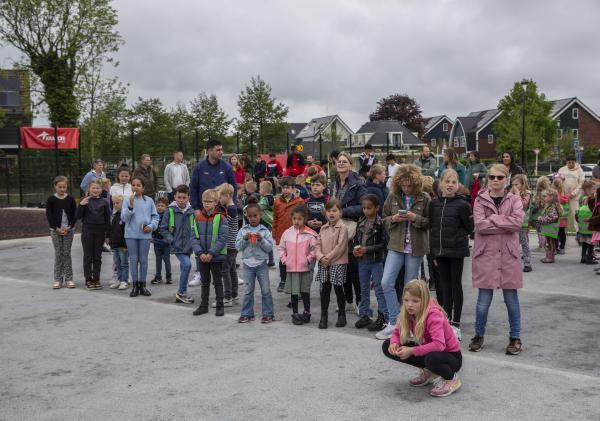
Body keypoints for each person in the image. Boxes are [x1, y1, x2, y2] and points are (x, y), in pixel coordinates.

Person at [469, 163, 524, 355]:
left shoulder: (515, 200)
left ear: (506, 179)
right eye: (492, 177)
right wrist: (503, 222)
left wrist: (492, 219)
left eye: (500, 177)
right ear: (487, 179)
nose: (495, 180)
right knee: (483, 301)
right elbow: (480, 226)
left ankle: (515, 337)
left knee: (511, 300)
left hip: (508, 256)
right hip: (486, 255)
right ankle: (478, 335)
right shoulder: (480, 200)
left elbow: (517, 223)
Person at [382, 279, 463, 398]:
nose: (409, 304)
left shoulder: (433, 314)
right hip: (432, 352)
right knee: (386, 345)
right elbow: (396, 333)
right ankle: (430, 371)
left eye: (415, 301)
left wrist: (411, 351)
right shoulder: (407, 312)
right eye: (406, 300)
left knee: (431, 358)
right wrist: (394, 343)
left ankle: (451, 379)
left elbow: (439, 345)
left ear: (424, 300)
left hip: (451, 357)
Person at [376, 164, 430, 340]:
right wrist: (393, 218)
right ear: (398, 183)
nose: (406, 188)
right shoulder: (392, 196)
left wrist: (416, 219)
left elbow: (430, 222)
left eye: (409, 185)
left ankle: (411, 326)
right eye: (403, 185)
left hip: (416, 247)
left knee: (411, 289)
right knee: (386, 282)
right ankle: (394, 322)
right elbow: (382, 219)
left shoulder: (424, 197)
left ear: (416, 183)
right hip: (396, 245)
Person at [429, 169, 473, 342]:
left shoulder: (463, 204)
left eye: (453, 182)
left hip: (455, 252)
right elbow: (432, 228)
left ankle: (456, 322)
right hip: (440, 252)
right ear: (441, 183)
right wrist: (433, 254)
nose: (450, 185)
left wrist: (459, 237)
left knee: (456, 286)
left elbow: (469, 227)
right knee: (444, 287)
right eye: (447, 181)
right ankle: (446, 320)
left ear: (458, 185)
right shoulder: (434, 204)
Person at [332, 151, 367, 312]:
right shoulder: (335, 182)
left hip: (352, 229)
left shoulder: (358, 183)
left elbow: (363, 207)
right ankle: (348, 301)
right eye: (339, 161)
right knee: (342, 266)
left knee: (354, 269)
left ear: (350, 165)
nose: (341, 163)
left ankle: (360, 302)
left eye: (344, 161)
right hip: (337, 228)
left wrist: (343, 212)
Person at [352, 194, 388, 332]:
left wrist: (366, 249)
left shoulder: (380, 223)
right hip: (362, 261)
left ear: (377, 208)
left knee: (379, 289)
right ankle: (364, 315)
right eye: (364, 208)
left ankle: (384, 316)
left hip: (376, 261)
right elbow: (356, 239)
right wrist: (356, 249)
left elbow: (383, 244)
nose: (366, 211)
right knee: (363, 289)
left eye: (369, 208)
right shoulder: (361, 221)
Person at [191, 189, 229, 316]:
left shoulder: (221, 217)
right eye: (204, 201)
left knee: (217, 282)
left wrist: (211, 253)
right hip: (202, 256)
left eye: (209, 201)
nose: (206, 204)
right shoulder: (197, 217)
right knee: (204, 282)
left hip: (216, 257)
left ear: (216, 202)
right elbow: (194, 237)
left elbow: (222, 238)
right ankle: (203, 305)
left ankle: (220, 305)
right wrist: (200, 252)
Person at [278, 204, 318, 325]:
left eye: (299, 219)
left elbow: (315, 249)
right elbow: (281, 248)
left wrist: (308, 259)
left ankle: (306, 313)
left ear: (305, 219)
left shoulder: (310, 234)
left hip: (304, 268)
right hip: (291, 269)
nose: (296, 221)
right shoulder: (287, 233)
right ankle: (295, 314)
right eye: (294, 218)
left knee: (305, 291)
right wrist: (285, 260)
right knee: (294, 293)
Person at [236, 203, 275, 323]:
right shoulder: (243, 231)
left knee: (265, 290)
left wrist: (261, 240)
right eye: (250, 216)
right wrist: (245, 239)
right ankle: (247, 313)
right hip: (247, 265)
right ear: (246, 217)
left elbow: (269, 248)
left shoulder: (265, 231)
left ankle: (268, 314)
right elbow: (238, 247)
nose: (252, 218)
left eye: (255, 216)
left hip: (261, 264)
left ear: (260, 215)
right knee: (248, 291)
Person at [121, 177, 159, 297]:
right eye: (133, 185)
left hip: (145, 235)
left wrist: (152, 226)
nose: (135, 187)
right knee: (133, 259)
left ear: (143, 188)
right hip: (131, 235)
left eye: (138, 185)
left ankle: (142, 285)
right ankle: (134, 285)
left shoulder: (149, 201)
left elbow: (155, 217)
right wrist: (131, 206)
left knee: (143, 260)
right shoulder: (127, 200)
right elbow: (124, 218)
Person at [316, 199, 349, 329]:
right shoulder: (323, 228)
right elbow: (317, 245)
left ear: (340, 213)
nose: (331, 213)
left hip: (337, 262)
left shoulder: (343, 228)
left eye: (334, 210)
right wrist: (321, 257)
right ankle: (324, 315)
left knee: (337, 288)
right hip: (324, 262)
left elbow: (340, 246)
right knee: (324, 288)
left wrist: (328, 258)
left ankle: (342, 314)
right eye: (329, 211)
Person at [160, 184, 196, 305]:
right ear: (174, 196)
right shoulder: (170, 210)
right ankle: (180, 293)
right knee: (187, 265)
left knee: (183, 268)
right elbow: (163, 229)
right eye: (179, 197)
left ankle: (183, 293)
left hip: (188, 246)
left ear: (188, 198)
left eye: (184, 197)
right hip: (177, 245)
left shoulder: (192, 211)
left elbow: (195, 228)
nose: (181, 200)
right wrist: (172, 240)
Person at [77, 179, 111, 290]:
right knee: (88, 256)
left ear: (101, 190)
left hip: (100, 231)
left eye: (97, 188)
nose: (95, 190)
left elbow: (107, 219)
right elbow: (77, 216)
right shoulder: (85, 201)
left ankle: (96, 278)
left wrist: (108, 235)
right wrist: (81, 205)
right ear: (89, 189)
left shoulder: (104, 202)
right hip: (87, 230)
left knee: (97, 256)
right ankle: (88, 279)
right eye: (93, 188)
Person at [272, 176, 305, 292]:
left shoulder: (299, 201)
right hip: (282, 235)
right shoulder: (277, 202)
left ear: (293, 189)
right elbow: (275, 218)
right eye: (283, 188)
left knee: (296, 258)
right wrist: (275, 234)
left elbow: (304, 218)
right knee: (282, 259)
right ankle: (283, 280)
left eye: (287, 188)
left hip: (296, 235)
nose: (285, 190)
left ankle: (295, 281)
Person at [46, 176, 77, 289]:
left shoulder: (70, 199)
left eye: (64, 187)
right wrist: (56, 228)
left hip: (69, 230)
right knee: (58, 254)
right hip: (55, 231)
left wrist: (69, 227)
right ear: (55, 186)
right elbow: (49, 216)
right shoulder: (51, 200)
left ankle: (69, 279)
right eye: (60, 187)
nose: (62, 189)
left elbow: (75, 215)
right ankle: (58, 279)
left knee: (66, 254)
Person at [190, 138, 237, 210]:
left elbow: (233, 187)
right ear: (209, 151)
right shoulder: (199, 167)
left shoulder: (227, 167)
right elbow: (193, 188)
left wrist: (231, 205)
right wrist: (195, 208)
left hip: (222, 210)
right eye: (218, 150)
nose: (221, 152)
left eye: (221, 149)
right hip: (203, 210)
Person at [217, 183, 240, 307]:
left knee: (225, 270)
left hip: (229, 245)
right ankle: (234, 295)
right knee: (232, 271)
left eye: (220, 197)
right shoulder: (232, 208)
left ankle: (227, 297)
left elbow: (226, 226)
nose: (219, 200)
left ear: (227, 195)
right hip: (233, 245)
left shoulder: (230, 209)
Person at [511, 174, 532, 272]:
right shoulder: (510, 193)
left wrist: (517, 194)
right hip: (512, 222)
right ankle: (512, 262)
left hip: (522, 222)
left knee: (524, 243)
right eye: (513, 184)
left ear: (523, 184)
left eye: (517, 184)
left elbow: (523, 205)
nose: (514, 186)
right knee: (512, 243)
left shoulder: (527, 193)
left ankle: (527, 263)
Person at [558, 155, 585, 229]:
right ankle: (561, 231)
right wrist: (562, 193)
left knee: (575, 214)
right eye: (569, 163)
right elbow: (558, 181)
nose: (570, 164)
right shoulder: (562, 169)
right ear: (566, 162)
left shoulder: (579, 170)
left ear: (575, 162)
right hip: (563, 196)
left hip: (574, 196)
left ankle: (578, 232)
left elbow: (581, 183)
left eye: (572, 163)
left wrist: (573, 193)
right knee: (562, 213)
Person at [108, 195, 129, 290]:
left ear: (123, 203)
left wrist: (126, 245)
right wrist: (111, 242)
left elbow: (127, 232)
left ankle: (124, 280)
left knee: (124, 263)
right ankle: (119, 280)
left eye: (117, 203)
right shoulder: (115, 215)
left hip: (122, 245)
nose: (115, 205)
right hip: (115, 245)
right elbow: (112, 230)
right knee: (117, 263)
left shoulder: (124, 217)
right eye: (114, 203)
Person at [536, 188, 561, 264]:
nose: (543, 198)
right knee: (549, 243)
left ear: (551, 197)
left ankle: (550, 257)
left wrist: (541, 219)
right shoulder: (549, 206)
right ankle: (548, 256)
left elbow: (552, 218)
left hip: (551, 229)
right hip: (548, 229)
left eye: (545, 196)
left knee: (550, 243)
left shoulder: (552, 207)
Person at [151, 197, 172, 285]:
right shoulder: (154, 216)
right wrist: (151, 237)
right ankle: (158, 276)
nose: (160, 207)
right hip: (156, 241)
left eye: (162, 206)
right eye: (158, 205)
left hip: (166, 242)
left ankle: (168, 277)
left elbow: (171, 228)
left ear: (166, 207)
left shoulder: (168, 216)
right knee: (158, 259)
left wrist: (169, 238)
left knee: (167, 259)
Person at [575, 180, 595, 265]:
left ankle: (583, 257)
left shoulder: (581, 198)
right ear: (590, 189)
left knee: (584, 243)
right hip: (590, 226)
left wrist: (578, 221)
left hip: (582, 226)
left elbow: (578, 212)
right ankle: (589, 258)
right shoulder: (592, 198)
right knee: (591, 243)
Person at [258, 180, 275, 266]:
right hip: (270, 222)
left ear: (264, 190)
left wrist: (253, 205)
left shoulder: (265, 199)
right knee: (266, 240)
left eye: (260, 189)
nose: (259, 190)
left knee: (264, 240)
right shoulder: (271, 197)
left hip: (266, 222)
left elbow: (260, 207)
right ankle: (270, 260)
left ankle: (268, 260)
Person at [552, 176, 569, 255]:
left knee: (555, 232)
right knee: (562, 233)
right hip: (564, 217)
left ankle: (555, 248)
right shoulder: (565, 193)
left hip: (556, 217)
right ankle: (562, 248)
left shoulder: (554, 194)